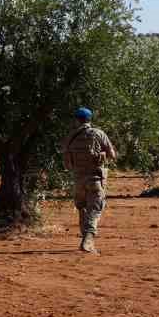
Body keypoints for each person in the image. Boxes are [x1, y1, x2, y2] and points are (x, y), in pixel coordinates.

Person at [62, 107, 117, 253]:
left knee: (82, 208)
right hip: (95, 179)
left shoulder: (70, 138)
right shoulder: (99, 133)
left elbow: (67, 164)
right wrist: (103, 154)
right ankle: (88, 238)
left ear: (76, 120)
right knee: (95, 209)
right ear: (90, 119)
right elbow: (113, 154)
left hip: (78, 181)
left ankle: (85, 239)